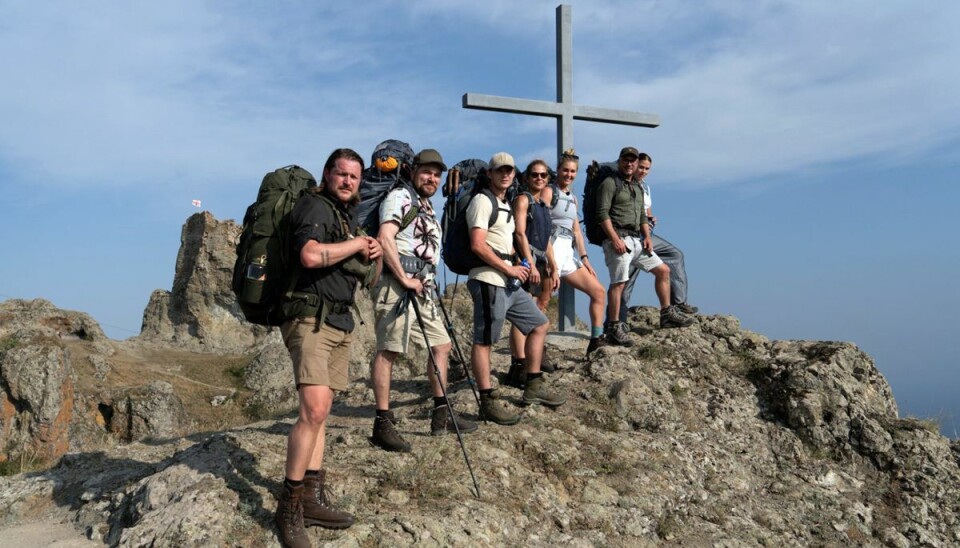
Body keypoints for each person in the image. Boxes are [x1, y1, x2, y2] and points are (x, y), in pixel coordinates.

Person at [274, 148, 381, 547]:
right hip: (310, 318)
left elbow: (367, 279)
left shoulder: (347, 217)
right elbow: (310, 254)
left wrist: (375, 253)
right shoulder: (315, 207)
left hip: (339, 320)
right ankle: (288, 508)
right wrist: (355, 246)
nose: (348, 182)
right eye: (342, 174)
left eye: (355, 177)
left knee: (323, 412)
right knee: (313, 409)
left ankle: (312, 497)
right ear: (327, 174)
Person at [370, 149, 477, 452]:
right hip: (396, 285)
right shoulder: (400, 197)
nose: (432, 178)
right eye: (427, 172)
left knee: (441, 345)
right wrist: (403, 278)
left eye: (436, 174)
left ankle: (441, 413)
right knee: (389, 350)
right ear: (413, 171)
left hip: (422, 288)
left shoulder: (425, 205)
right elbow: (384, 236)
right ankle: (382, 422)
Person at [467, 152, 567, 425]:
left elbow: (510, 240)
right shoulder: (481, 201)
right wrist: (508, 267)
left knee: (539, 324)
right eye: (500, 170)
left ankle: (533, 384)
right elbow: (477, 244)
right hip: (488, 278)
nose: (505, 174)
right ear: (490, 173)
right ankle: (486, 400)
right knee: (485, 340)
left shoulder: (505, 204)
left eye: (509, 170)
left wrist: (523, 263)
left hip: (508, 280)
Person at [595, 147, 693, 345]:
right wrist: (614, 239)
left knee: (663, 270)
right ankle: (614, 326)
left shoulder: (638, 187)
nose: (630, 164)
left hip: (637, 240)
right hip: (619, 238)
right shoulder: (610, 183)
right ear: (620, 161)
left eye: (633, 160)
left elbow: (641, 215)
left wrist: (647, 237)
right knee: (620, 283)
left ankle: (667, 313)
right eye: (626, 160)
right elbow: (602, 213)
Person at [540, 151, 609, 356]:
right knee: (542, 302)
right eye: (565, 170)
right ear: (558, 170)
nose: (568, 175)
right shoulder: (548, 192)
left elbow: (576, 230)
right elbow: (541, 226)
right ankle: (535, 347)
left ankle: (596, 339)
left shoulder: (573, 199)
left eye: (572, 172)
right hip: (550, 250)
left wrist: (585, 258)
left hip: (567, 253)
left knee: (598, 292)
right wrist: (551, 264)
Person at [507, 159, 560, 386]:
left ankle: (531, 359)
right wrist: (528, 263)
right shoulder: (523, 200)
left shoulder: (543, 206)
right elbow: (519, 233)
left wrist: (553, 265)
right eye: (535, 175)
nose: (539, 178)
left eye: (543, 175)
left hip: (539, 262)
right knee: (523, 316)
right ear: (527, 178)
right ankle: (518, 363)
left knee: (537, 310)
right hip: (525, 261)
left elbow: (546, 238)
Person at [639, 155, 698, 314]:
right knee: (626, 279)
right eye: (641, 167)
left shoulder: (645, 186)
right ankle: (614, 321)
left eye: (647, 168)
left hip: (648, 233)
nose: (644, 171)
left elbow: (647, 209)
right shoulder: (628, 184)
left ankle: (678, 303)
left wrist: (650, 218)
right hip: (634, 235)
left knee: (675, 255)